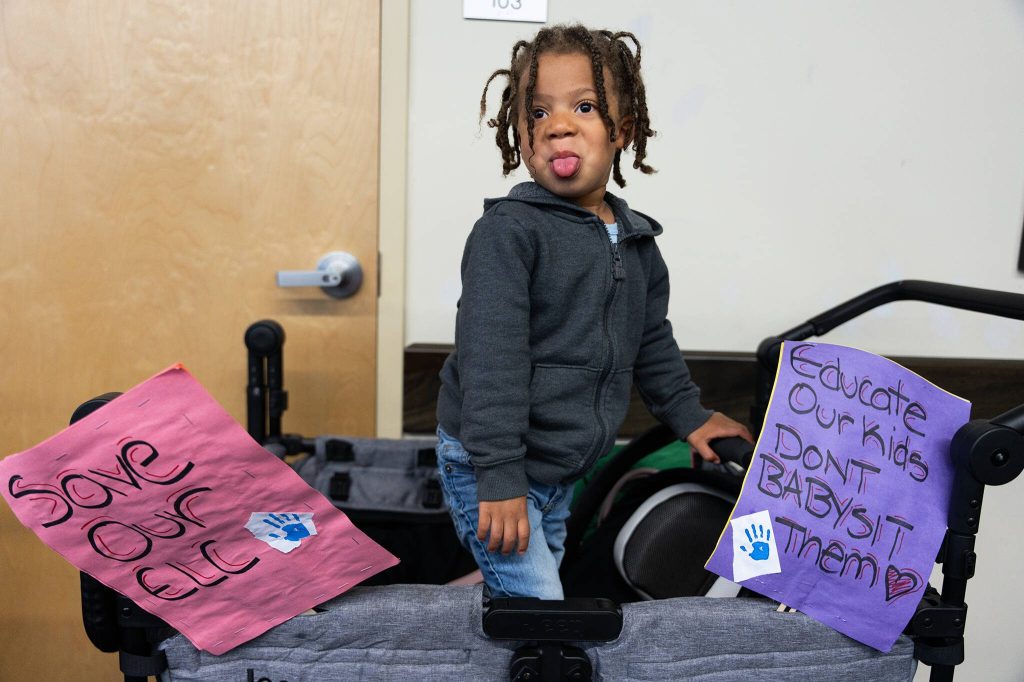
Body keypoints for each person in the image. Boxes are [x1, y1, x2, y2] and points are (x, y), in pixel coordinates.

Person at [435, 24, 751, 600]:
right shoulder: (508, 234)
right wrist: (500, 476)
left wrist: (691, 416)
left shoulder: (635, 242)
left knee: (537, 611)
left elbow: (649, 341)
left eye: (583, 106)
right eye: (537, 113)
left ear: (622, 132)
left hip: (558, 472)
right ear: (521, 135)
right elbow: (490, 362)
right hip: (493, 464)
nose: (558, 124)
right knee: (540, 619)